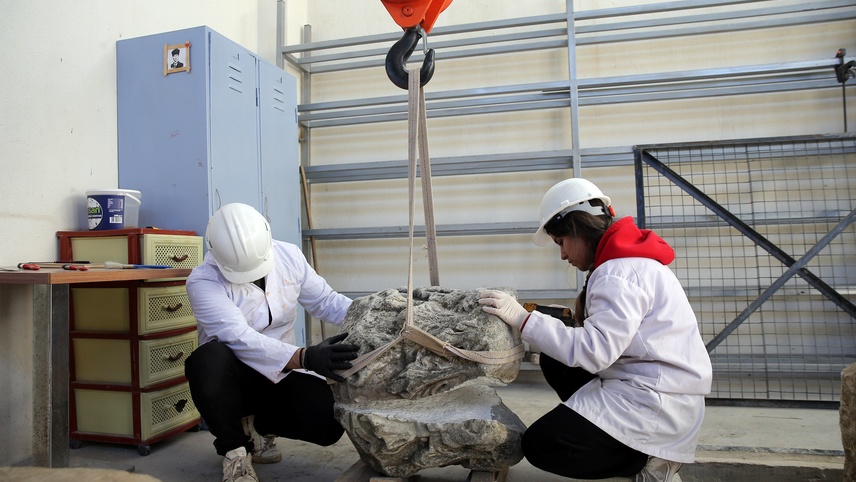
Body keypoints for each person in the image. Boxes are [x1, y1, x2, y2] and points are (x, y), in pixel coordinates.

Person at [479, 178, 712, 482]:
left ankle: (648, 462)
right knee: (555, 358)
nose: (563, 255)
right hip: (652, 387)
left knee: (542, 445)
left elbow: (595, 351)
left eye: (560, 242)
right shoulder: (626, 263)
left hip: (656, 401)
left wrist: (523, 320)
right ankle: (615, 437)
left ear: (576, 228)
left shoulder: (618, 272)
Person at [184, 202, 359, 482]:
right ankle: (234, 452)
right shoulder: (202, 281)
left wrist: (376, 313)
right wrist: (306, 357)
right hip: (234, 377)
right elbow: (239, 338)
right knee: (207, 360)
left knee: (329, 422)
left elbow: (326, 302)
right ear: (214, 252)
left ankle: (259, 426)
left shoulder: (289, 255)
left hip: (281, 372)